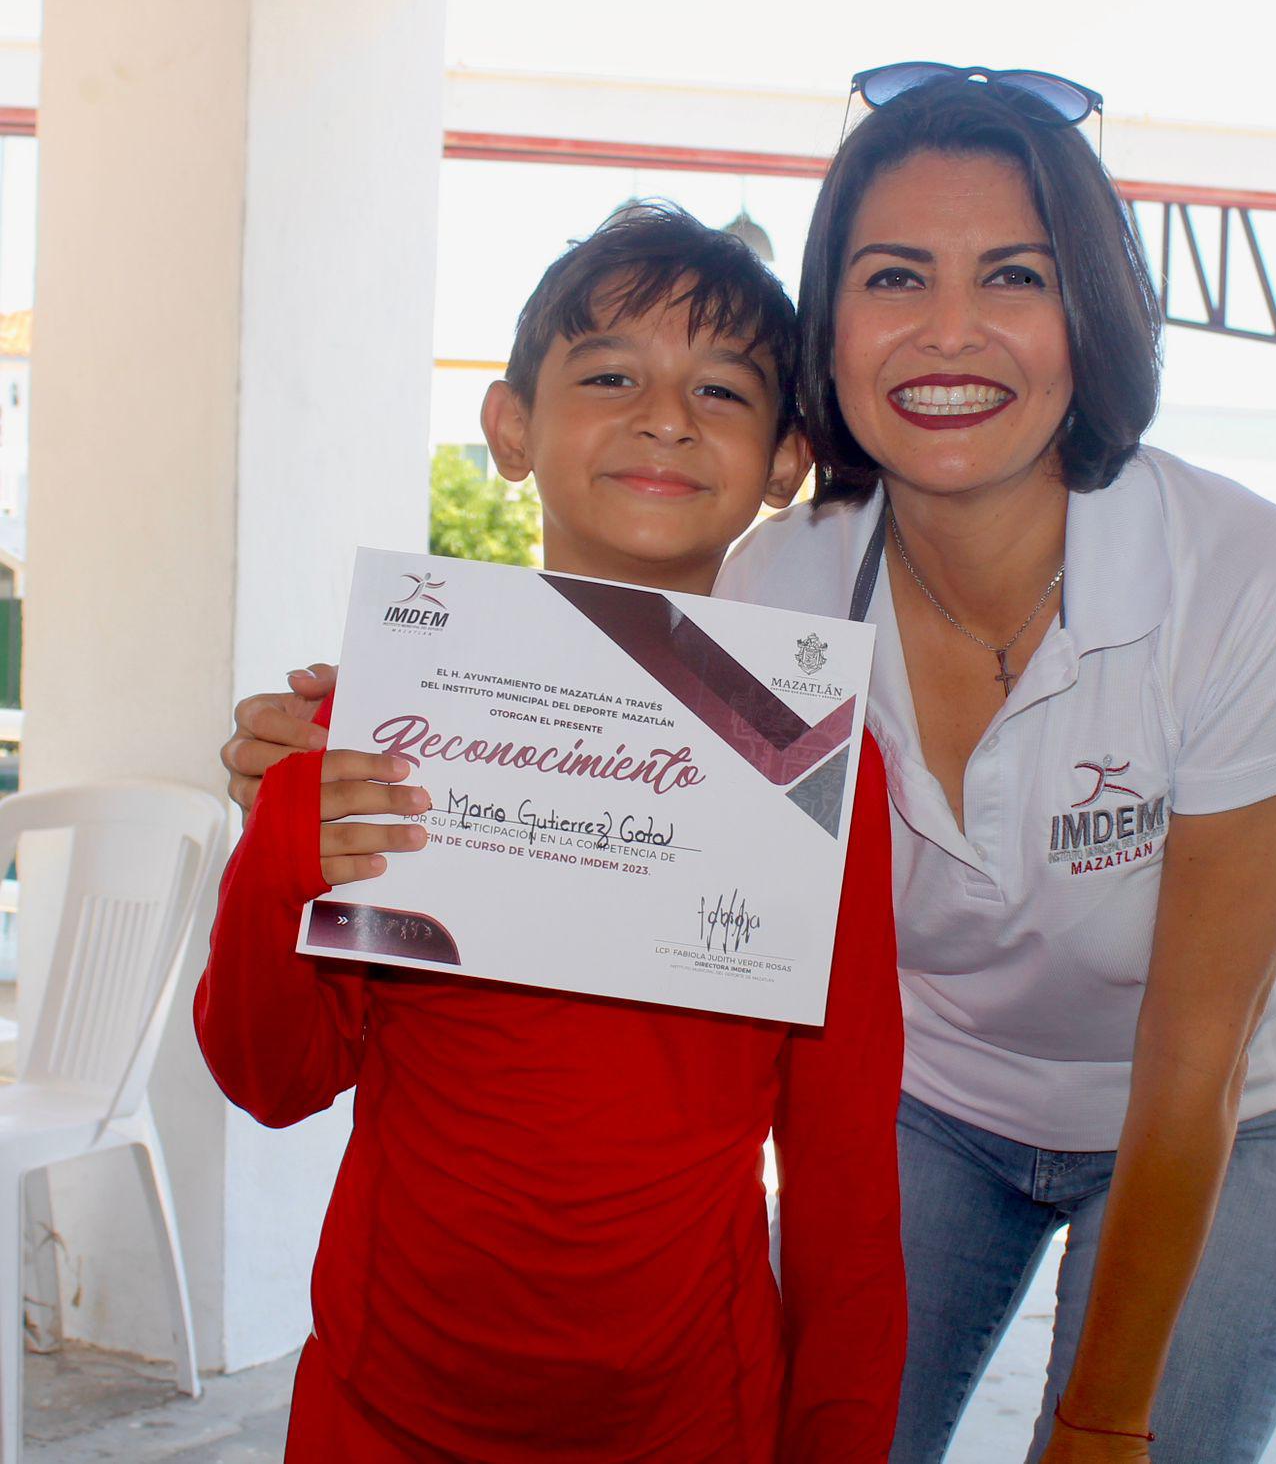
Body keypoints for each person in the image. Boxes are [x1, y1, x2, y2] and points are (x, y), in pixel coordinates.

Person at [222, 69, 1276, 1464]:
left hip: (1237, 1102)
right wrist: (306, 787)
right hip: (941, 1096)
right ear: (834, 339)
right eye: (896, 274)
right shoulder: (771, 596)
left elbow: (1192, 1048)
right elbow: (555, 764)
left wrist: (1099, 1417)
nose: (949, 327)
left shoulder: (1256, 582)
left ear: (1091, 312)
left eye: (1014, 275)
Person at [196, 205, 906, 1463]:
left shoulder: (813, 772)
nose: (665, 416)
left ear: (785, 460)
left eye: (722, 391)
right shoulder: (391, 722)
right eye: (611, 374)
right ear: (511, 428)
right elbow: (274, 1078)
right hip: (382, 1405)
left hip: (693, 1416)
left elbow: (845, 1175)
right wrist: (282, 847)